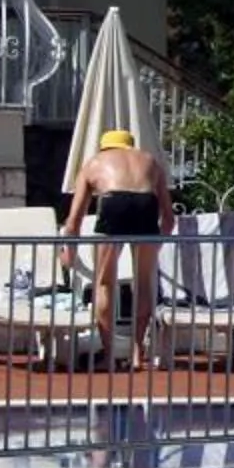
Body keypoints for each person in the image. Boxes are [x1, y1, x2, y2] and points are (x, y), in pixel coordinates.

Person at [64, 128, 173, 366]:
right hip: (146, 204)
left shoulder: (94, 163)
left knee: (105, 284)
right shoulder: (150, 161)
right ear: (130, 146)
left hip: (114, 203)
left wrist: (68, 254)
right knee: (143, 282)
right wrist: (158, 244)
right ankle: (136, 354)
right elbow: (169, 218)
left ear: (105, 147)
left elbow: (74, 220)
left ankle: (109, 354)